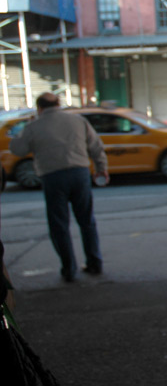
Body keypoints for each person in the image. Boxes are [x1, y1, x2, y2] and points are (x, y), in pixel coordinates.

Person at [10, 93, 109, 283]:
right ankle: (95, 263)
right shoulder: (78, 121)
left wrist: (22, 130)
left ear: (39, 108)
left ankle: (69, 269)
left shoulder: (33, 126)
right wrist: (101, 169)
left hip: (52, 177)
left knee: (59, 225)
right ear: (59, 104)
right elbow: (96, 146)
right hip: (80, 173)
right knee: (87, 220)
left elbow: (18, 149)